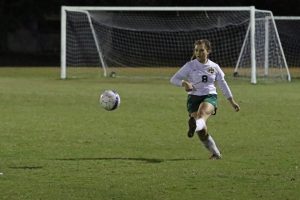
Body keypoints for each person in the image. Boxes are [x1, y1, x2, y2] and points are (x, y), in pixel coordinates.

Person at [170, 39, 240, 160]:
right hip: (193, 98)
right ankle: (216, 153)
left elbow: (223, 84)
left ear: (208, 51)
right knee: (202, 131)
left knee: (202, 114)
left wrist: (232, 101)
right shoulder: (190, 66)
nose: (198, 53)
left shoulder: (214, 67)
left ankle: (194, 124)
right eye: (196, 50)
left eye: (201, 50)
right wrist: (184, 83)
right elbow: (173, 79)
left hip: (209, 96)